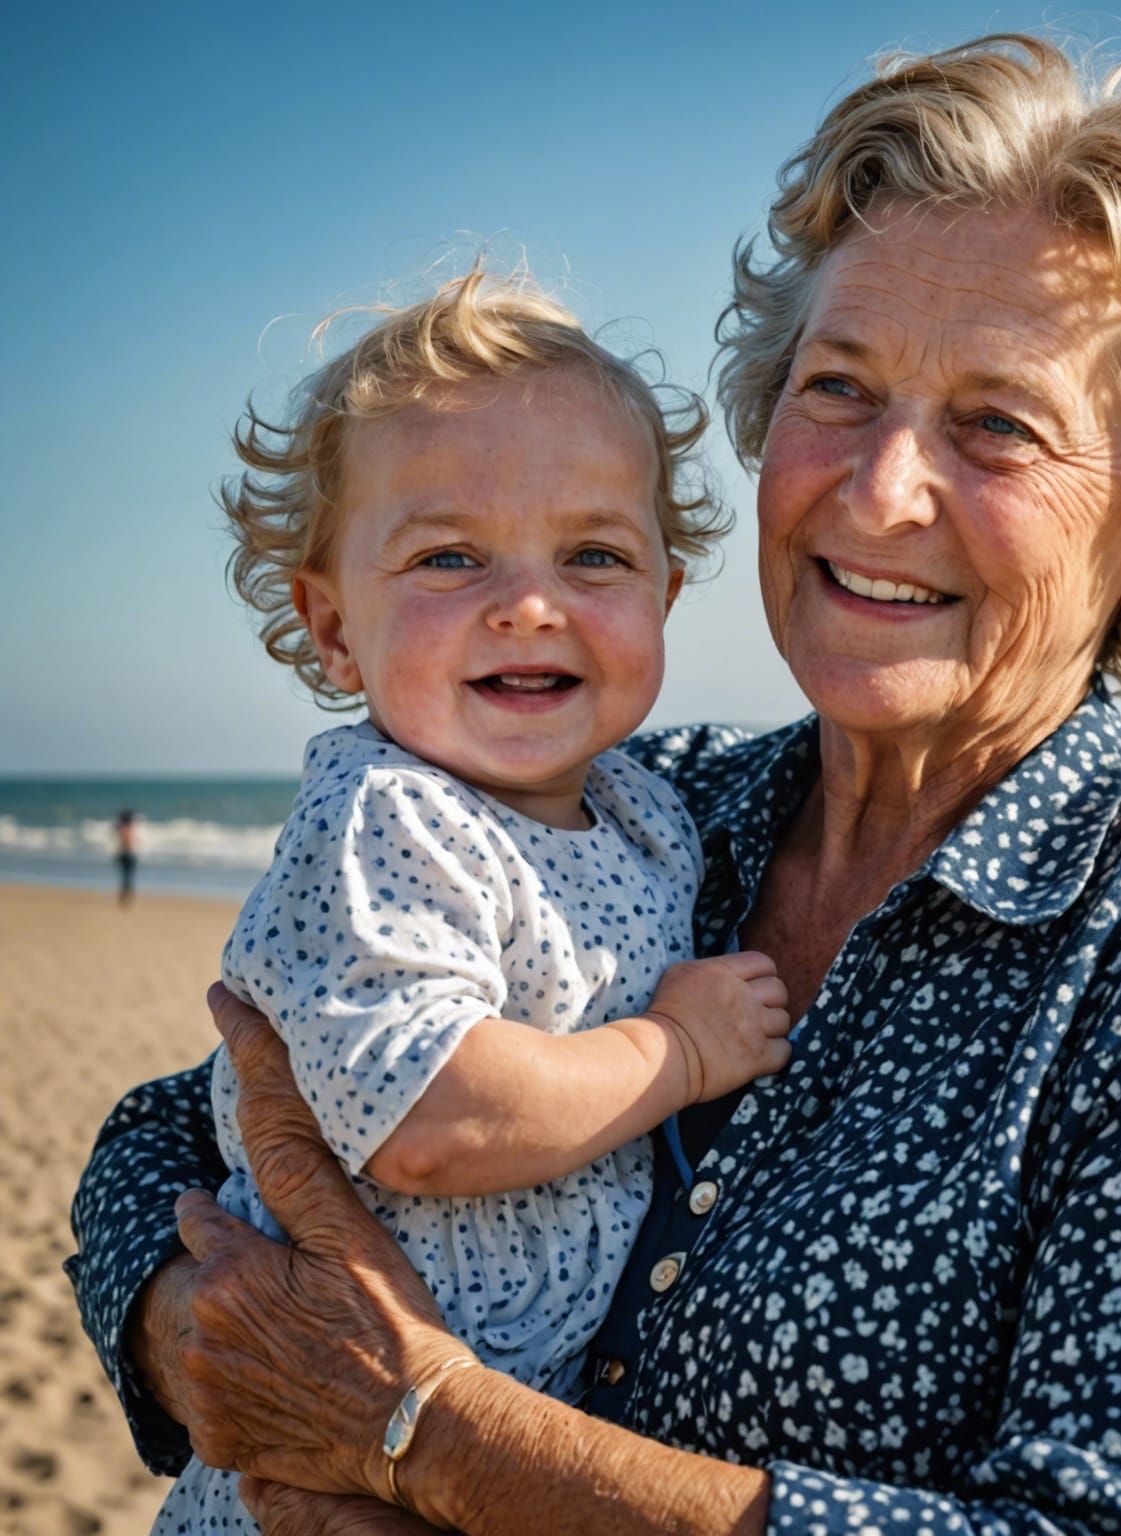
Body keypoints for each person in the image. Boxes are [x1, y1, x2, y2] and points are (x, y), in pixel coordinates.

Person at [68, 33, 1121, 1536]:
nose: (880, 488)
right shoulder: (635, 808)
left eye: (996, 426)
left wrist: (420, 1433)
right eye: (838, 389)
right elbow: (171, 1139)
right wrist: (213, 1352)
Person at [148, 274, 793, 1534]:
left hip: (501, 1448)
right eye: (450, 556)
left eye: (594, 555)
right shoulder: (386, 817)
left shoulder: (650, 813)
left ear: (664, 598)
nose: (531, 602)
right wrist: (678, 1050)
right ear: (333, 629)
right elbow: (429, 1114)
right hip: (314, 1461)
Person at [113, 809, 137, 907]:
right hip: (128, 854)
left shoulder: (122, 828)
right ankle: (126, 896)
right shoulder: (127, 828)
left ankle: (125, 895)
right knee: (127, 877)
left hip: (124, 854)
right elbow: (129, 842)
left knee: (126, 877)